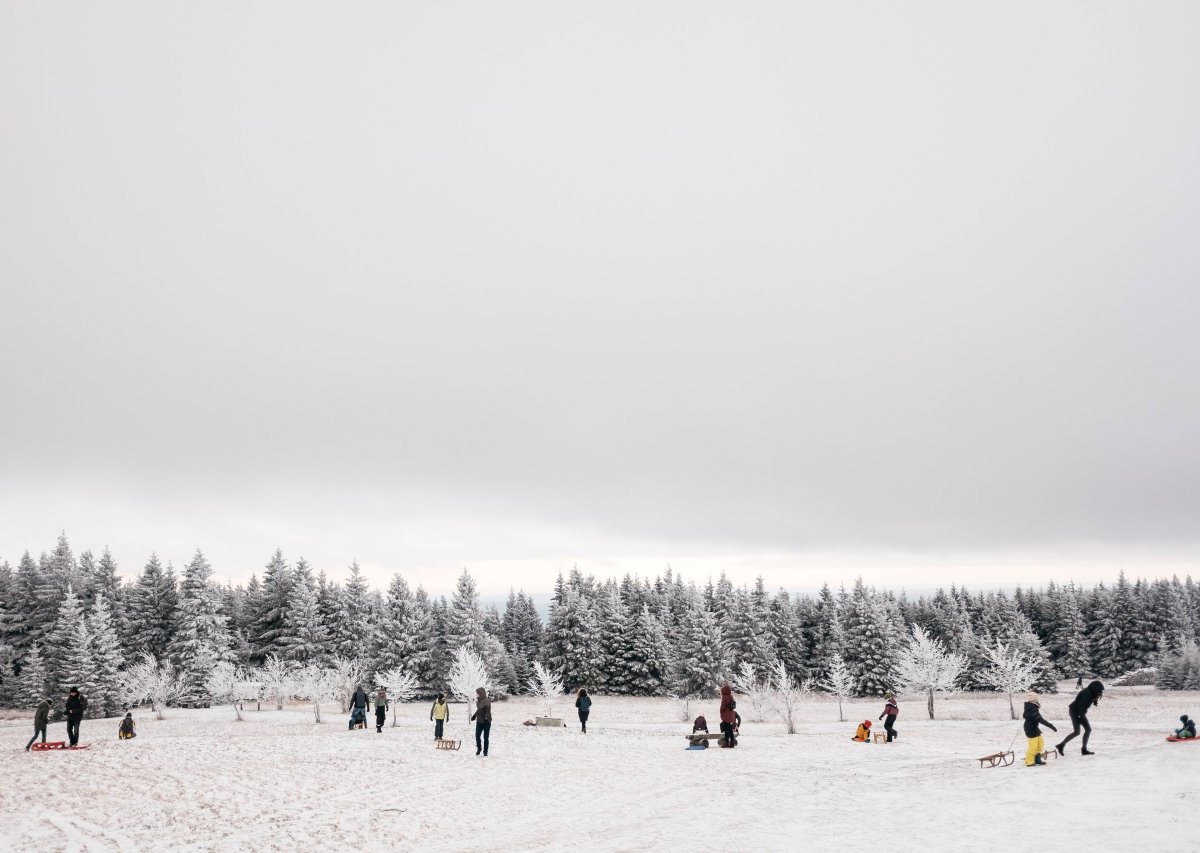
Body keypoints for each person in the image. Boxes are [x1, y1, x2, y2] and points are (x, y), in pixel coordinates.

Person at [1056, 679, 1104, 756]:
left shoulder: (1091, 692)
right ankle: (1061, 745)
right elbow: (1081, 706)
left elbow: (1090, 699)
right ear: (1095, 689)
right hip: (1076, 712)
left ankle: (1083, 749)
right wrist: (1080, 716)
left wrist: (1094, 700)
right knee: (1077, 732)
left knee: (1087, 730)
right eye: (1099, 691)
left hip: (1078, 712)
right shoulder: (1086, 694)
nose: (1100, 693)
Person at [1022, 692, 1057, 766]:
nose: (1038, 700)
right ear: (1034, 699)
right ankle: (1029, 761)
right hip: (1030, 729)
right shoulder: (1032, 708)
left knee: (1040, 744)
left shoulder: (1031, 707)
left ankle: (1037, 759)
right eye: (1037, 698)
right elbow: (1040, 719)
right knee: (1033, 746)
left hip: (1034, 728)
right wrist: (1051, 726)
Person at [470, 687, 492, 756]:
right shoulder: (479, 701)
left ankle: (485, 752)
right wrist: (474, 716)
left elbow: (487, 710)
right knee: (477, 736)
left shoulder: (487, 700)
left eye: (477, 693)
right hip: (479, 721)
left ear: (481, 693)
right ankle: (479, 749)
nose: (476, 694)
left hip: (486, 722)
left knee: (485, 737)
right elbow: (479, 710)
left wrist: (485, 717)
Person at [718, 684, 737, 748]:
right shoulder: (731, 696)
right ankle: (732, 743)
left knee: (726, 730)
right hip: (730, 715)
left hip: (726, 716)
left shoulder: (724, 697)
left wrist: (720, 711)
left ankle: (726, 743)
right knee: (730, 730)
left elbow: (722, 707)